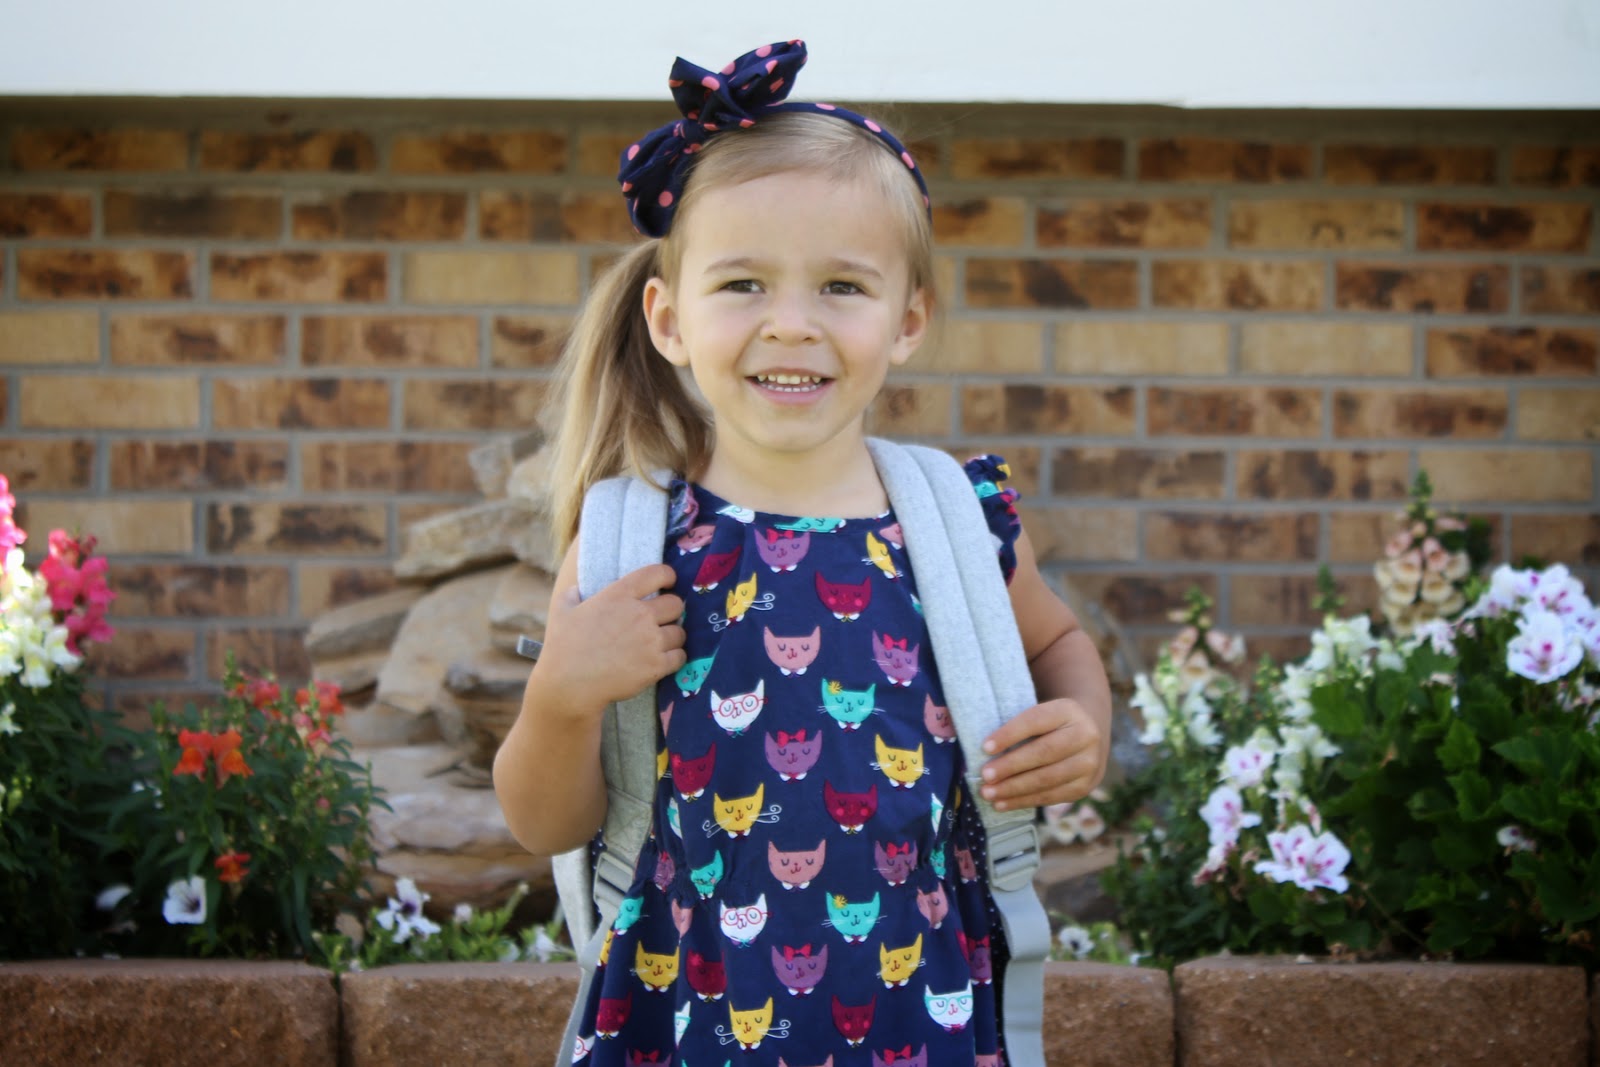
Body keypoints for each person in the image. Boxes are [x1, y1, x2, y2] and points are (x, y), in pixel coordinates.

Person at [494, 39, 1113, 1067]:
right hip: (687, 1025)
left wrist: (1082, 720)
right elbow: (540, 820)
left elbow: (1058, 643)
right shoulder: (633, 547)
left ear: (907, 319)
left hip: (921, 1021)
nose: (791, 325)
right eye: (743, 283)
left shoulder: (954, 522)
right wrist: (561, 694)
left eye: (840, 286)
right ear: (669, 319)